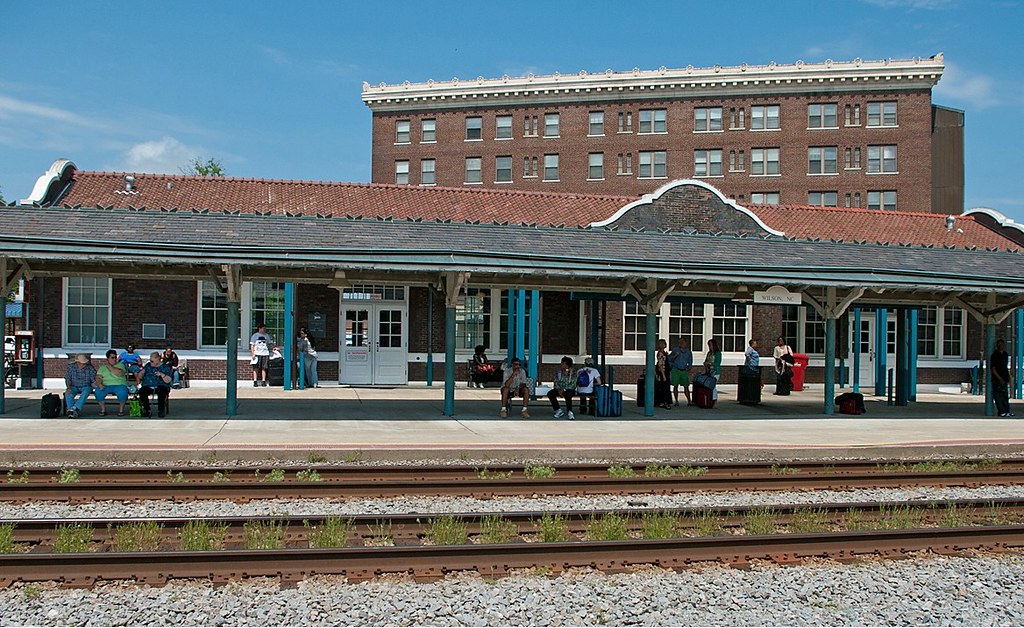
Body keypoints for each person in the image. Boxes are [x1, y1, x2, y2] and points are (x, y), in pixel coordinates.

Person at [94, 349, 129, 416]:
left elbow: (120, 373)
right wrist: (99, 384)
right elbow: (98, 377)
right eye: (112, 357)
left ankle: (121, 410)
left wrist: (109, 367)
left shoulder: (121, 365)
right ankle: (103, 410)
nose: (115, 359)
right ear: (108, 359)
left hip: (119, 384)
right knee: (98, 392)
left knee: (123, 392)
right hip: (106, 385)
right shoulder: (102, 367)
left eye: (115, 357)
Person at [139, 352, 173, 417]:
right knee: (142, 392)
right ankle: (147, 409)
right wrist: (142, 372)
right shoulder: (148, 365)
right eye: (150, 360)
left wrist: (162, 375)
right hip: (148, 385)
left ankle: (161, 410)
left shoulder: (165, 367)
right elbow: (140, 377)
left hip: (161, 385)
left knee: (162, 392)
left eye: (152, 361)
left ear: (158, 359)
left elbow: (168, 380)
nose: (150, 362)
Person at [64, 353, 97, 418]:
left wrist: (95, 385)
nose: (84, 364)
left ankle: (75, 408)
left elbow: (93, 379)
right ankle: (72, 411)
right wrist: (68, 387)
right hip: (74, 386)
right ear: (78, 362)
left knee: (85, 392)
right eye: (83, 363)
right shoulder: (71, 367)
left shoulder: (90, 368)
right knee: (68, 393)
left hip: (86, 386)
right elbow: (67, 379)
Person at [668, 337, 694, 407]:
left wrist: (688, 368)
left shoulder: (688, 352)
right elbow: (669, 359)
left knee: (686, 386)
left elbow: (690, 361)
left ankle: (689, 401)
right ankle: (676, 401)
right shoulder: (675, 350)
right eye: (680, 342)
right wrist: (675, 356)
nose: (681, 343)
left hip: (684, 370)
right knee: (675, 386)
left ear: (686, 343)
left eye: (682, 342)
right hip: (676, 369)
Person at [992, 339, 1014, 417]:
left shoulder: (1005, 355)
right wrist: (999, 378)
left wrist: (1008, 376)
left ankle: (1007, 411)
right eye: (1000, 345)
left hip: (1004, 377)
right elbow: (993, 368)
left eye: (1002, 345)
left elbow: (1005, 366)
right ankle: (1001, 411)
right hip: (997, 379)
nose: (1001, 346)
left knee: (1005, 396)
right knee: (998, 396)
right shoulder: (995, 355)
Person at [655, 338, 672, 409]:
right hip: (663, 373)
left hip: (666, 371)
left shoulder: (664, 353)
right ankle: (665, 402)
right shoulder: (661, 354)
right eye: (664, 343)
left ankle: (662, 402)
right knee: (665, 388)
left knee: (663, 387)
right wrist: (663, 375)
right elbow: (660, 365)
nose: (665, 344)